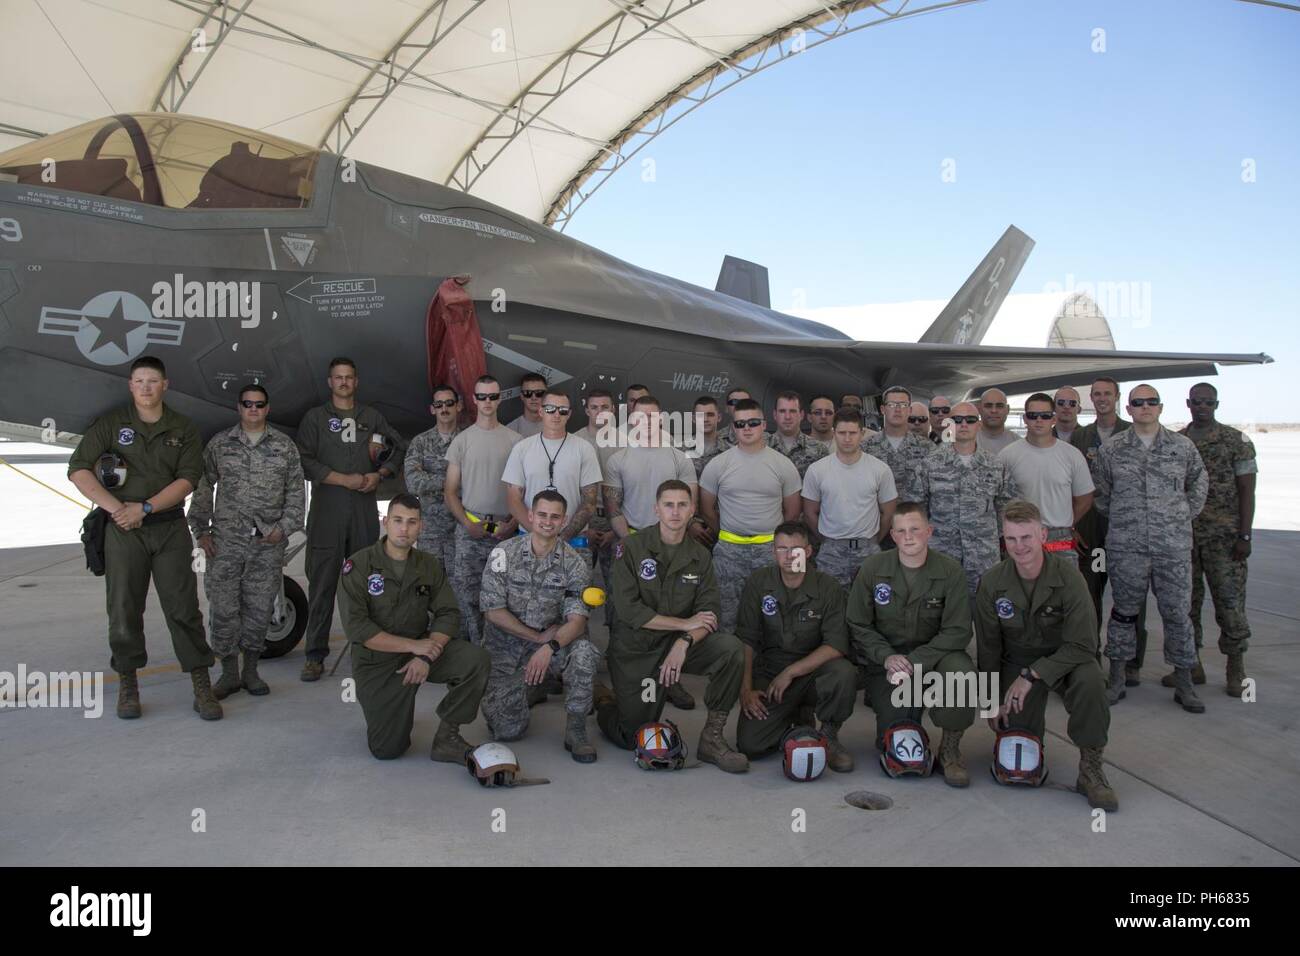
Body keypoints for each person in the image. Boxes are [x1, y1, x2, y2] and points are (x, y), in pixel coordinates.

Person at [68, 356, 218, 720]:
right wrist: (116, 510)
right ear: (131, 385)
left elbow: (187, 479)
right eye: (139, 381)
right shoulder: (111, 425)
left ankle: (201, 684)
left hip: (167, 528)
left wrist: (145, 509)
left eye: (153, 381)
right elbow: (78, 469)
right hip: (122, 531)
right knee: (123, 609)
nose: (146, 388)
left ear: (165, 385)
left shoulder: (182, 428)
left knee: (183, 609)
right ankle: (128, 684)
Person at [594, 480, 749, 773]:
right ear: (656, 509)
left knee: (730, 649)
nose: (675, 512)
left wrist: (684, 640)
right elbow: (629, 611)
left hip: (680, 644)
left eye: (682, 505)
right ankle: (603, 699)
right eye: (668, 505)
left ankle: (711, 739)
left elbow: (710, 613)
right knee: (635, 736)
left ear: (692, 510)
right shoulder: (631, 547)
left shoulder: (700, 556)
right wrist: (684, 624)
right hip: (638, 650)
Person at [974, 499, 1116, 810]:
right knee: (1017, 758)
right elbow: (989, 647)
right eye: (1011, 538)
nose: (1019, 546)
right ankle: (1026, 731)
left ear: (1043, 535)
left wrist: (1034, 674)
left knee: (1091, 680)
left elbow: (1084, 644)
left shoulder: (1070, 579)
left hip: (1064, 660)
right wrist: (991, 699)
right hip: (1016, 661)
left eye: (1026, 537)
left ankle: (1091, 768)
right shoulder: (993, 582)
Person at [338, 494, 490, 761]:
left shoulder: (428, 564)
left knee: (475, 660)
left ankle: (448, 737)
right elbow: (358, 628)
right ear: (385, 522)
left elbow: (448, 612)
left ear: (422, 527)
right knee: (388, 749)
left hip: (421, 650)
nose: (404, 529)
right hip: (377, 661)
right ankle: (395, 706)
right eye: (397, 520)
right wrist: (413, 647)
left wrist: (424, 655)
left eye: (411, 522)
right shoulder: (359, 565)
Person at [845, 503, 978, 787]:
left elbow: (957, 631)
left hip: (934, 661)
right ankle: (905, 722)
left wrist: (915, 662)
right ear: (892, 535)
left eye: (915, 529)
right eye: (901, 531)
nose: (908, 537)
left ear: (929, 532)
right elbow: (858, 623)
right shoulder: (873, 568)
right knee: (896, 744)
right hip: (889, 665)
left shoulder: (950, 571)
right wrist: (887, 658)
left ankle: (950, 749)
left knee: (962, 674)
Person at [1095, 385, 1208, 712]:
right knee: (1123, 614)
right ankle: (1117, 677)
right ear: (1128, 409)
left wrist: (1178, 517)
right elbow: (1103, 495)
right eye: (1137, 403)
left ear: (1160, 407)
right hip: (1127, 548)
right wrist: (1128, 520)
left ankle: (1184, 682)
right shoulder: (1112, 449)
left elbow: (1198, 485)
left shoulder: (1182, 447)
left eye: (1151, 402)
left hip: (1171, 547)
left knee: (1177, 614)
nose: (1144, 407)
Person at [189, 384, 305, 699]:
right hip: (225, 544)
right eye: (247, 404)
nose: (253, 409)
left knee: (259, 608)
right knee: (224, 608)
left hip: (266, 544)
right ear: (239, 408)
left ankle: (251, 672)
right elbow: (203, 487)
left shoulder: (284, 447)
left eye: (259, 404)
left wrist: (284, 528)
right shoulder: (220, 445)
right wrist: (201, 531)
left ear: (267, 408)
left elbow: (297, 493)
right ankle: (228, 674)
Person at [295, 357, 405, 682]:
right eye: (338, 378)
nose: (343, 382)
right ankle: (315, 655)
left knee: (367, 584)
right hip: (327, 511)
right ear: (330, 382)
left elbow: (397, 447)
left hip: (362, 512)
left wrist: (381, 474)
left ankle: (370, 652)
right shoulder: (315, 419)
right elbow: (303, 459)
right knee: (322, 585)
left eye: (348, 378)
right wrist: (343, 480)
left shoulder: (371, 417)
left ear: (356, 382)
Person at [480, 490, 601, 761]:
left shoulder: (575, 563)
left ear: (564, 520)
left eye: (555, 517)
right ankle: (534, 685)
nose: (548, 522)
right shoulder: (503, 553)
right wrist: (536, 639)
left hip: (552, 643)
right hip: (508, 647)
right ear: (531, 516)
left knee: (584, 654)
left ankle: (576, 728)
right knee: (507, 730)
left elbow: (577, 621)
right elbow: (493, 612)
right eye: (542, 515)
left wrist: (550, 646)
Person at [603, 396, 701, 710]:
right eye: (640, 417)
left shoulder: (679, 458)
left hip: (672, 548)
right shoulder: (618, 459)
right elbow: (613, 509)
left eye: (653, 417)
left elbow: (688, 506)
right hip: (631, 545)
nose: (646, 422)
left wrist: (671, 540)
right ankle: (626, 679)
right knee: (626, 615)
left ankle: (671, 680)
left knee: (673, 614)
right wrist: (633, 542)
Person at [735, 524, 857, 770]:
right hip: (770, 673)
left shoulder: (828, 587)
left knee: (843, 672)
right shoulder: (759, 583)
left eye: (796, 550)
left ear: (809, 551)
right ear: (773, 552)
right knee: (750, 745)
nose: (789, 556)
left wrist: (790, 672)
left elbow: (836, 645)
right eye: (782, 549)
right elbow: (745, 640)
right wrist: (746, 690)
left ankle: (828, 736)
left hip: (813, 671)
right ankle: (795, 721)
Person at [1178, 383, 1257, 696]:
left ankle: (1235, 668)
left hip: (1225, 540)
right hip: (1186, 538)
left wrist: (1245, 535)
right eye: (1197, 402)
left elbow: (1247, 490)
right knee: (1186, 604)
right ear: (1188, 403)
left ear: (1216, 404)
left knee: (1229, 603)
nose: (1202, 407)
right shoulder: (1178, 441)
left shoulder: (1236, 440)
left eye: (1208, 402)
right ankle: (1191, 664)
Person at [699, 399, 802, 631]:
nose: (747, 428)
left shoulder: (783, 465)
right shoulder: (718, 465)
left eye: (753, 422)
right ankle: (731, 665)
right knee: (726, 618)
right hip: (728, 553)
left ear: (764, 424)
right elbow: (706, 509)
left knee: (775, 617)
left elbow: (793, 511)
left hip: (770, 552)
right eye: (740, 423)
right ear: (733, 428)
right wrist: (726, 531)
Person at [1071, 377, 1147, 682]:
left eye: (1107, 394)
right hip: (1090, 529)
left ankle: (1131, 662)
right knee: (1089, 597)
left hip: (1125, 528)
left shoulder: (1133, 432)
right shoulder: (1080, 435)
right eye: (1096, 394)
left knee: (1130, 595)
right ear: (1091, 398)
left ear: (1117, 397)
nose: (1102, 399)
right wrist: (1072, 523)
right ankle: (1090, 658)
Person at [444, 374, 521, 645]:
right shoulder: (462, 442)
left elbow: (522, 490)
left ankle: (504, 660)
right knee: (468, 598)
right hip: (471, 532)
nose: (487, 402)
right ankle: (476, 657)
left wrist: (512, 523)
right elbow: (450, 491)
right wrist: (467, 524)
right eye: (482, 397)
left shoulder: (515, 441)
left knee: (508, 598)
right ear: (474, 400)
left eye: (492, 396)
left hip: (506, 533)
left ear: (499, 399)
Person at [917, 401, 1020, 596]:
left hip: (983, 558)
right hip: (941, 556)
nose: (963, 424)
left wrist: (986, 535)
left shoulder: (996, 465)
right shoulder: (930, 464)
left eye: (970, 420)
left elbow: (1005, 508)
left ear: (978, 425)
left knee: (985, 614)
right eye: (957, 420)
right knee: (939, 612)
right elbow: (919, 508)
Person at [801, 408, 897, 588]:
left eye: (852, 433)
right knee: (832, 604)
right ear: (833, 433)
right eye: (842, 433)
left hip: (869, 550)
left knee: (870, 605)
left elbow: (888, 512)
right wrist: (828, 542)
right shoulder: (817, 470)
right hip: (831, 552)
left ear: (862, 433)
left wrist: (874, 541)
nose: (847, 438)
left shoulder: (879, 469)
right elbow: (809, 513)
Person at [997, 393, 1093, 569]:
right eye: (1033, 416)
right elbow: (997, 499)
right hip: (1021, 536)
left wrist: (1068, 521)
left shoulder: (1072, 455)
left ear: (1054, 418)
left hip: (1060, 539)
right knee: (1021, 594)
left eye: (1045, 415)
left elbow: (1085, 498)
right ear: (1025, 419)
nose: (1039, 420)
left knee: (1064, 593)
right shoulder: (1007, 456)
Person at [502, 387, 602, 555]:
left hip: (573, 542)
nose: (556, 415)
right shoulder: (522, 448)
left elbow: (589, 503)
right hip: (530, 540)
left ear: (569, 414)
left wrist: (561, 538)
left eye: (563, 411)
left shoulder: (584, 449)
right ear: (541, 411)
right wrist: (539, 535)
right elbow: (514, 501)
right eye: (550, 409)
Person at [572, 388, 620, 622]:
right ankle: (579, 637)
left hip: (617, 521)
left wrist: (616, 528)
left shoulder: (626, 443)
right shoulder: (574, 441)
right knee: (578, 586)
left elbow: (633, 488)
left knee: (618, 588)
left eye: (605, 407)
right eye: (594, 407)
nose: (600, 412)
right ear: (586, 410)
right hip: (583, 522)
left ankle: (615, 644)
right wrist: (582, 527)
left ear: (613, 410)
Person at [402, 383, 462, 569]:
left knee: (461, 590)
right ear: (432, 409)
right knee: (429, 587)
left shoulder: (469, 440)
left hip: (461, 529)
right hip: (431, 532)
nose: (444, 408)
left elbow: (477, 479)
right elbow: (413, 482)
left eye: (449, 403)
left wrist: (430, 480)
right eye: (439, 405)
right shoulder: (420, 442)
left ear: (458, 406)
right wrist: (449, 482)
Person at [860, 385, 932, 505]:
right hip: (879, 520)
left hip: (914, 519)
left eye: (903, 405)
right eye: (892, 405)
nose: (897, 410)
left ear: (909, 410)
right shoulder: (865, 447)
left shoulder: (927, 447)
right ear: (883, 409)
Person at [766, 390, 828, 478]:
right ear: (775, 415)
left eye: (792, 411)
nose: (787, 417)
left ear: (801, 415)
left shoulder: (819, 450)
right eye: (782, 411)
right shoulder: (762, 446)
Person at [686, 395, 728, 482]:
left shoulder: (729, 451)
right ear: (694, 419)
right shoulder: (682, 450)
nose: (705, 419)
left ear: (719, 417)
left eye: (710, 415)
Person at [976, 388, 1019, 454]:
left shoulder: (1017, 443)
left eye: (999, 406)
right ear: (979, 409)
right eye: (988, 406)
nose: (994, 410)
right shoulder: (966, 441)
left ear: (1007, 410)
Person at [507, 372, 546, 437]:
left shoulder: (556, 426)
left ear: (545, 395)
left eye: (539, 393)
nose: (534, 397)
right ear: (522, 396)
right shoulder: (510, 430)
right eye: (528, 393)